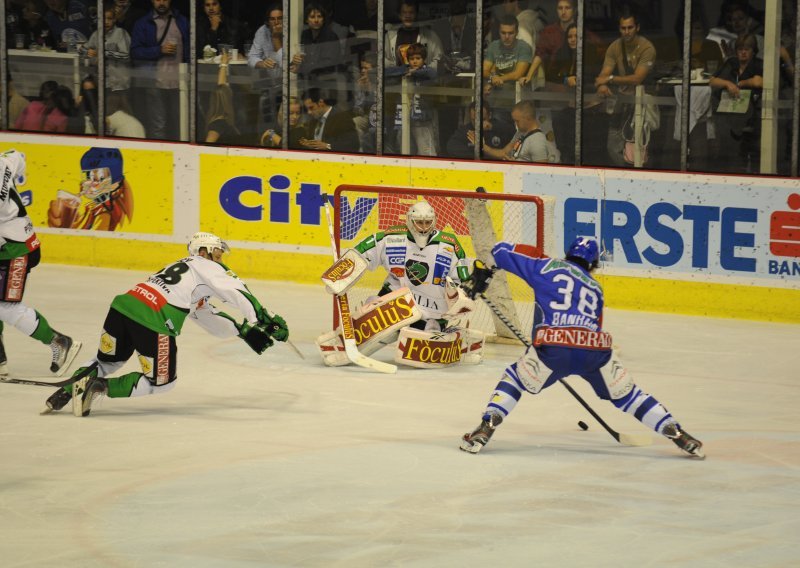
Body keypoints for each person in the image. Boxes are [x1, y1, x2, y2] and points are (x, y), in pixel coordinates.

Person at [459, 236, 705, 459]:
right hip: (594, 350)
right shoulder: (596, 288)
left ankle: (487, 426)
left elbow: (499, 250)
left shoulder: (545, 266)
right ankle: (677, 433)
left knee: (514, 379)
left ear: (568, 253)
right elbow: (592, 325)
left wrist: (487, 273)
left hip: (554, 347)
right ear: (594, 264)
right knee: (629, 395)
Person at [44, 231, 289, 417]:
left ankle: (65, 392)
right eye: (217, 252)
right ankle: (99, 387)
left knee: (107, 361)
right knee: (162, 382)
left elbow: (206, 316)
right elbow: (236, 290)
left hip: (123, 306)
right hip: (154, 317)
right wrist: (264, 319)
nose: (220, 258)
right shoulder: (206, 265)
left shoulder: (184, 273)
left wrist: (242, 331)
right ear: (202, 251)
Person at [0, 149, 82, 378]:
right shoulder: (4, 161)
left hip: (16, 250)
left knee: (5, 307)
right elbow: (18, 155)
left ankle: (59, 342)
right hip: (13, 243)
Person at [353, 200, 470, 332]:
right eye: (419, 222)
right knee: (370, 313)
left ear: (434, 221)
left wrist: (462, 293)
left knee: (427, 335)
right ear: (410, 220)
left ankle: (433, 328)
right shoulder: (393, 238)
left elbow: (462, 280)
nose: (424, 227)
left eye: (427, 222)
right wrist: (347, 267)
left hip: (433, 310)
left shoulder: (449, 245)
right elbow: (361, 253)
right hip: (398, 300)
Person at [594, 8, 656, 167]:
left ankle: (639, 179)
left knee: (641, 150)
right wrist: (602, 84)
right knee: (613, 146)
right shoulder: (614, 47)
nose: (627, 31)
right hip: (622, 102)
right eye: (623, 28)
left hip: (642, 103)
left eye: (630, 27)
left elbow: (637, 78)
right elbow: (603, 75)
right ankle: (624, 176)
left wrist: (611, 79)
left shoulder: (647, 48)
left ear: (638, 27)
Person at [130, 0, 190, 140]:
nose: (161, 3)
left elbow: (190, 50)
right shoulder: (143, 23)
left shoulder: (182, 21)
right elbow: (135, 52)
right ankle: (160, 158)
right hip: (155, 82)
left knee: (181, 124)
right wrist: (159, 50)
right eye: (157, 0)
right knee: (158, 125)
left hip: (180, 82)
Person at [709, 33, 763, 173]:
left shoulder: (758, 64)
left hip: (752, 115)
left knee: (753, 150)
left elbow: (758, 81)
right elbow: (713, 81)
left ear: (753, 50)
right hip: (730, 116)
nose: (743, 52)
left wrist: (741, 83)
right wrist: (727, 83)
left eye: (747, 49)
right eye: (740, 49)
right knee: (732, 152)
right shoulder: (731, 63)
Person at [47, 147, 134, 230]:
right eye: (88, 176)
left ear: (115, 183)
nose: (91, 184)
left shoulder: (104, 214)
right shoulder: (94, 207)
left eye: (100, 178)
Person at [385, 42, 438, 156]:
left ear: (424, 59)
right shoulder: (406, 69)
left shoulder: (427, 71)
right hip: (404, 118)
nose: (414, 61)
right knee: (404, 147)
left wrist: (415, 73)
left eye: (418, 58)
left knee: (426, 150)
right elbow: (387, 72)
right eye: (411, 58)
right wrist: (406, 71)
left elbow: (432, 73)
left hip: (421, 119)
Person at [482, 15, 533, 118]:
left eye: (510, 33)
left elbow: (517, 74)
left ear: (517, 33)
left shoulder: (524, 47)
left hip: (518, 99)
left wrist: (498, 78)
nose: (506, 37)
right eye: (503, 33)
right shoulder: (493, 46)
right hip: (496, 99)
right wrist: (493, 78)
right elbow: (484, 70)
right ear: (499, 32)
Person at [290, 2, 344, 95]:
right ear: (307, 20)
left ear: (323, 19)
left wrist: (301, 68)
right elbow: (304, 58)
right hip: (309, 83)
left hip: (327, 84)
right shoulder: (305, 34)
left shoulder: (330, 36)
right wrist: (294, 62)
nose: (316, 20)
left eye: (319, 16)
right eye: (312, 17)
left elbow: (328, 64)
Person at [481, 99, 556, 163]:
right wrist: (482, 146)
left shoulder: (537, 141)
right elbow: (504, 152)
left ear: (528, 118)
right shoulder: (520, 133)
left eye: (517, 121)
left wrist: (517, 166)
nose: (515, 124)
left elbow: (541, 173)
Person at [248, 4, 283, 134]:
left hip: (289, 84)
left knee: (282, 123)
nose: (276, 22)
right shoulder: (262, 31)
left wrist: (276, 38)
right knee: (266, 122)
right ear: (268, 21)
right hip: (270, 84)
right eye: (272, 19)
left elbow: (285, 64)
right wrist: (262, 63)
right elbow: (251, 57)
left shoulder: (291, 31)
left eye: (280, 18)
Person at [84, 3, 131, 94]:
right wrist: (88, 53)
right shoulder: (95, 35)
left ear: (114, 19)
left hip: (119, 83)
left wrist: (103, 53)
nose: (105, 22)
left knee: (120, 107)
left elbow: (126, 55)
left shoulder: (121, 33)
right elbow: (83, 51)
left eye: (109, 18)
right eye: (102, 18)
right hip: (102, 82)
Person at [445, 101, 515, 159]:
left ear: (489, 115)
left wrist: (493, 127)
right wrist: (479, 155)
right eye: (474, 120)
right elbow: (451, 147)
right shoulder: (465, 131)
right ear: (470, 116)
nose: (478, 123)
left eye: (482, 119)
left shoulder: (499, 126)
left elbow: (515, 133)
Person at [299, 87, 359, 153]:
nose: (309, 112)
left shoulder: (341, 117)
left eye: (311, 107)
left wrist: (328, 146)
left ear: (321, 102)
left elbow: (354, 143)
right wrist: (308, 143)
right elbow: (315, 143)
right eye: (307, 109)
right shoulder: (313, 121)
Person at [203, 50, 240, 144]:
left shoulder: (221, 118)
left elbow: (221, 86)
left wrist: (223, 64)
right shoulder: (218, 125)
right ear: (227, 100)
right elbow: (208, 144)